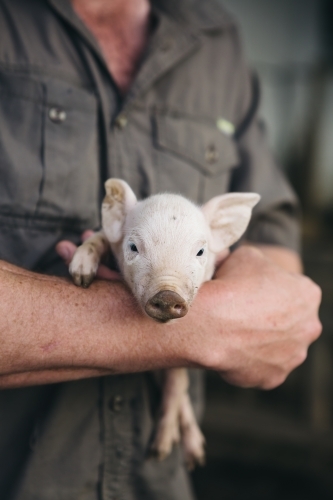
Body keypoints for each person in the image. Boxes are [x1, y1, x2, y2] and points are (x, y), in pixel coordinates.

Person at [0, 0, 321, 499]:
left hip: (160, 483)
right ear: (114, 217)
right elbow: (234, 323)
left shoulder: (218, 42)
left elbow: (279, 269)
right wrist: (203, 331)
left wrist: (259, 302)